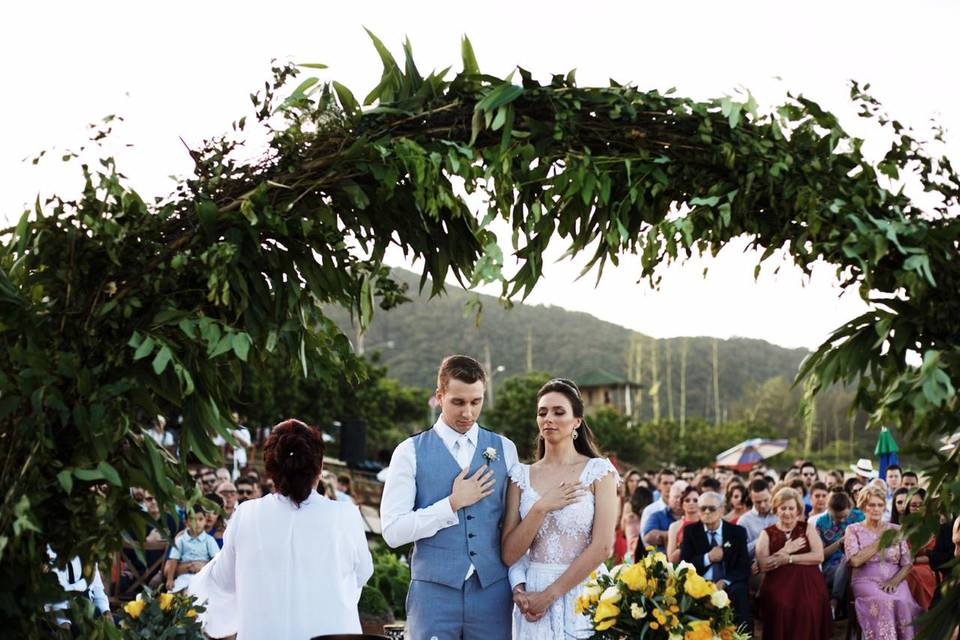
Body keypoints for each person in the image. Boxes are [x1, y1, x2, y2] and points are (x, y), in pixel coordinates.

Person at [190, 418, 373, 639]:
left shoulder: (246, 514)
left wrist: (192, 588)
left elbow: (222, 581)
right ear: (320, 467)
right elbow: (363, 574)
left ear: (270, 469)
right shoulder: (346, 515)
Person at [380, 355, 520, 640]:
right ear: (439, 396)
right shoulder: (408, 451)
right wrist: (452, 504)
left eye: (476, 402)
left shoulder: (505, 449)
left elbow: (513, 526)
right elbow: (393, 532)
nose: (468, 412)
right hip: (433, 594)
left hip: (492, 593)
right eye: (458, 402)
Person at [501, 378, 619, 639]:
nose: (548, 419)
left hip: (584, 590)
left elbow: (602, 547)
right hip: (533, 593)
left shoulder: (599, 472)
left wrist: (551, 594)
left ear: (576, 421)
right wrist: (540, 507)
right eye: (542, 412)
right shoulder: (519, 476)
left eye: (558, 412)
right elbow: (509, 554)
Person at [844, 484, 921, 639]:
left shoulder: (897, 529)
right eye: (872, 505)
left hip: (895, 581)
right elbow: (855, 561)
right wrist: (881, 541)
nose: (876, 509)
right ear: (863, 506)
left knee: (903, 602)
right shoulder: (853, 530)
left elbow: (907, 563)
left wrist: (894, 581)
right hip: (866, 581)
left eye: (880, 505)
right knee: (883, 601)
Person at [755, 487, 832, 640]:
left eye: (791, 508)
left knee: (809, 604)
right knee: (781, 603)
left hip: (808, 581)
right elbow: (763, 564)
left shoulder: (807, 528)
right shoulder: (766, 533)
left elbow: (819, 556)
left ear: (798, 510)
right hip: (778, 582)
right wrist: (785, 550)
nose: (787, 512)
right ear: (776, 510)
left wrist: (789, 558)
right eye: (783, 508)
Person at [680, 492, 751, 630]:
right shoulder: (691, 531)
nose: (707, 512)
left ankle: (741, 634)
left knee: (739, 591)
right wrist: (708, 558)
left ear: (721, 510)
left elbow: (743, 567)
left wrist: (724, 582)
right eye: (703, 508)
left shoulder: (737, 532)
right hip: (700, 582)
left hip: (729, 582)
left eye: (711, 508)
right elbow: (685, 563)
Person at [815, 489, 863, 618]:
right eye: (837, 517)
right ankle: (834, 603)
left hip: (857, 566)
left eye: (844, 517)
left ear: (850, 508)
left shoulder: (859, 517)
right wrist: (838, 543)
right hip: (830, 569)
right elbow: (819, 555)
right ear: (829, 510)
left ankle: (834, 603)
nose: (842, 520)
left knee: (847, 560)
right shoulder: (821, 522)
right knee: (845, 560)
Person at [164, 506, 220, 592]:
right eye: (192, 520)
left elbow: (216, 559)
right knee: (174, 595)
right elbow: (174, 559)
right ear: (186, 522)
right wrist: (170, 579)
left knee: (201, 595)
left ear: (205, 520)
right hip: (184, 576)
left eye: (200, 519)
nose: (197, 523)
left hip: (203, 576)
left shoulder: (209, 540)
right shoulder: (180, 540)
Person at [903, 489, 936, 610]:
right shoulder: (903, 529)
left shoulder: (935, 527)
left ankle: (921, 616)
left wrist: (915, 559)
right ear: (908, 507)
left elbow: (936, 555)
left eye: (920, 505)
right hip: (906, 566)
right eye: (913, 505)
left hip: (931, 567)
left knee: (912, 573)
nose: (917, 508)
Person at [641, 480, 687, 555]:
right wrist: (674, 534)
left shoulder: (694, 517)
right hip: (661, 563)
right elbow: (648, 537)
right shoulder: (657, 515)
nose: (679, 500)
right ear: (669, 498)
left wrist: (662, 536)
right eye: (676, 497)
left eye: (682, 497)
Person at [737, 478, 776, 559]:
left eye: (766, 500)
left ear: (771, 494)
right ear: (751, 498)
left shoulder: (779, 514)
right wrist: (762, 539)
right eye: (758, 502)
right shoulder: (744, 521)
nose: (763, 505)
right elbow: (740, 552)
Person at [666, 485, 700, 563]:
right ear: (681, 504)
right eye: (687, 500)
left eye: (695, 500)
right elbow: (671, 558)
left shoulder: (706, 524)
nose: (691, 503)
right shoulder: (674, 526)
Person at [639, 469, 676, 534]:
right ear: (658, 486)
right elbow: (645, 537)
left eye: (672, 483)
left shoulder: (681, 508)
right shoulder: (650, 510)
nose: (669, 486)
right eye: (665, 483)